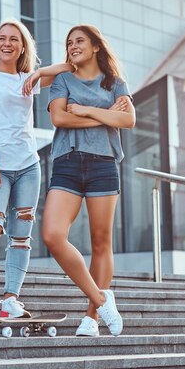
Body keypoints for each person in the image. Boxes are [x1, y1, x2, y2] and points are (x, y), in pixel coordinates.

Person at [28, 24, 135, 336]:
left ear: (96, 46)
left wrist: (85, 109)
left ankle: (91, 318)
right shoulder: (62, 79)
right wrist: (105, 115)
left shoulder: (115, 82)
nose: (73, 46)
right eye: (69, 42)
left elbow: (127, 120)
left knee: (102, 243)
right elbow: (58, 117)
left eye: (80, 41)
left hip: (103, 163)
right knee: (52, 235)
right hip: (68, 162)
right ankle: (102, 299)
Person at [0, 18, 72, 318]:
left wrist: (37, 72)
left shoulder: (28, 79)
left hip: (28, 166)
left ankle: (11, 300)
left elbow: (69, 68)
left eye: (14, 39)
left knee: (21, 236)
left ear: (23, 45)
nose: (7, 44)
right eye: (2, 38)